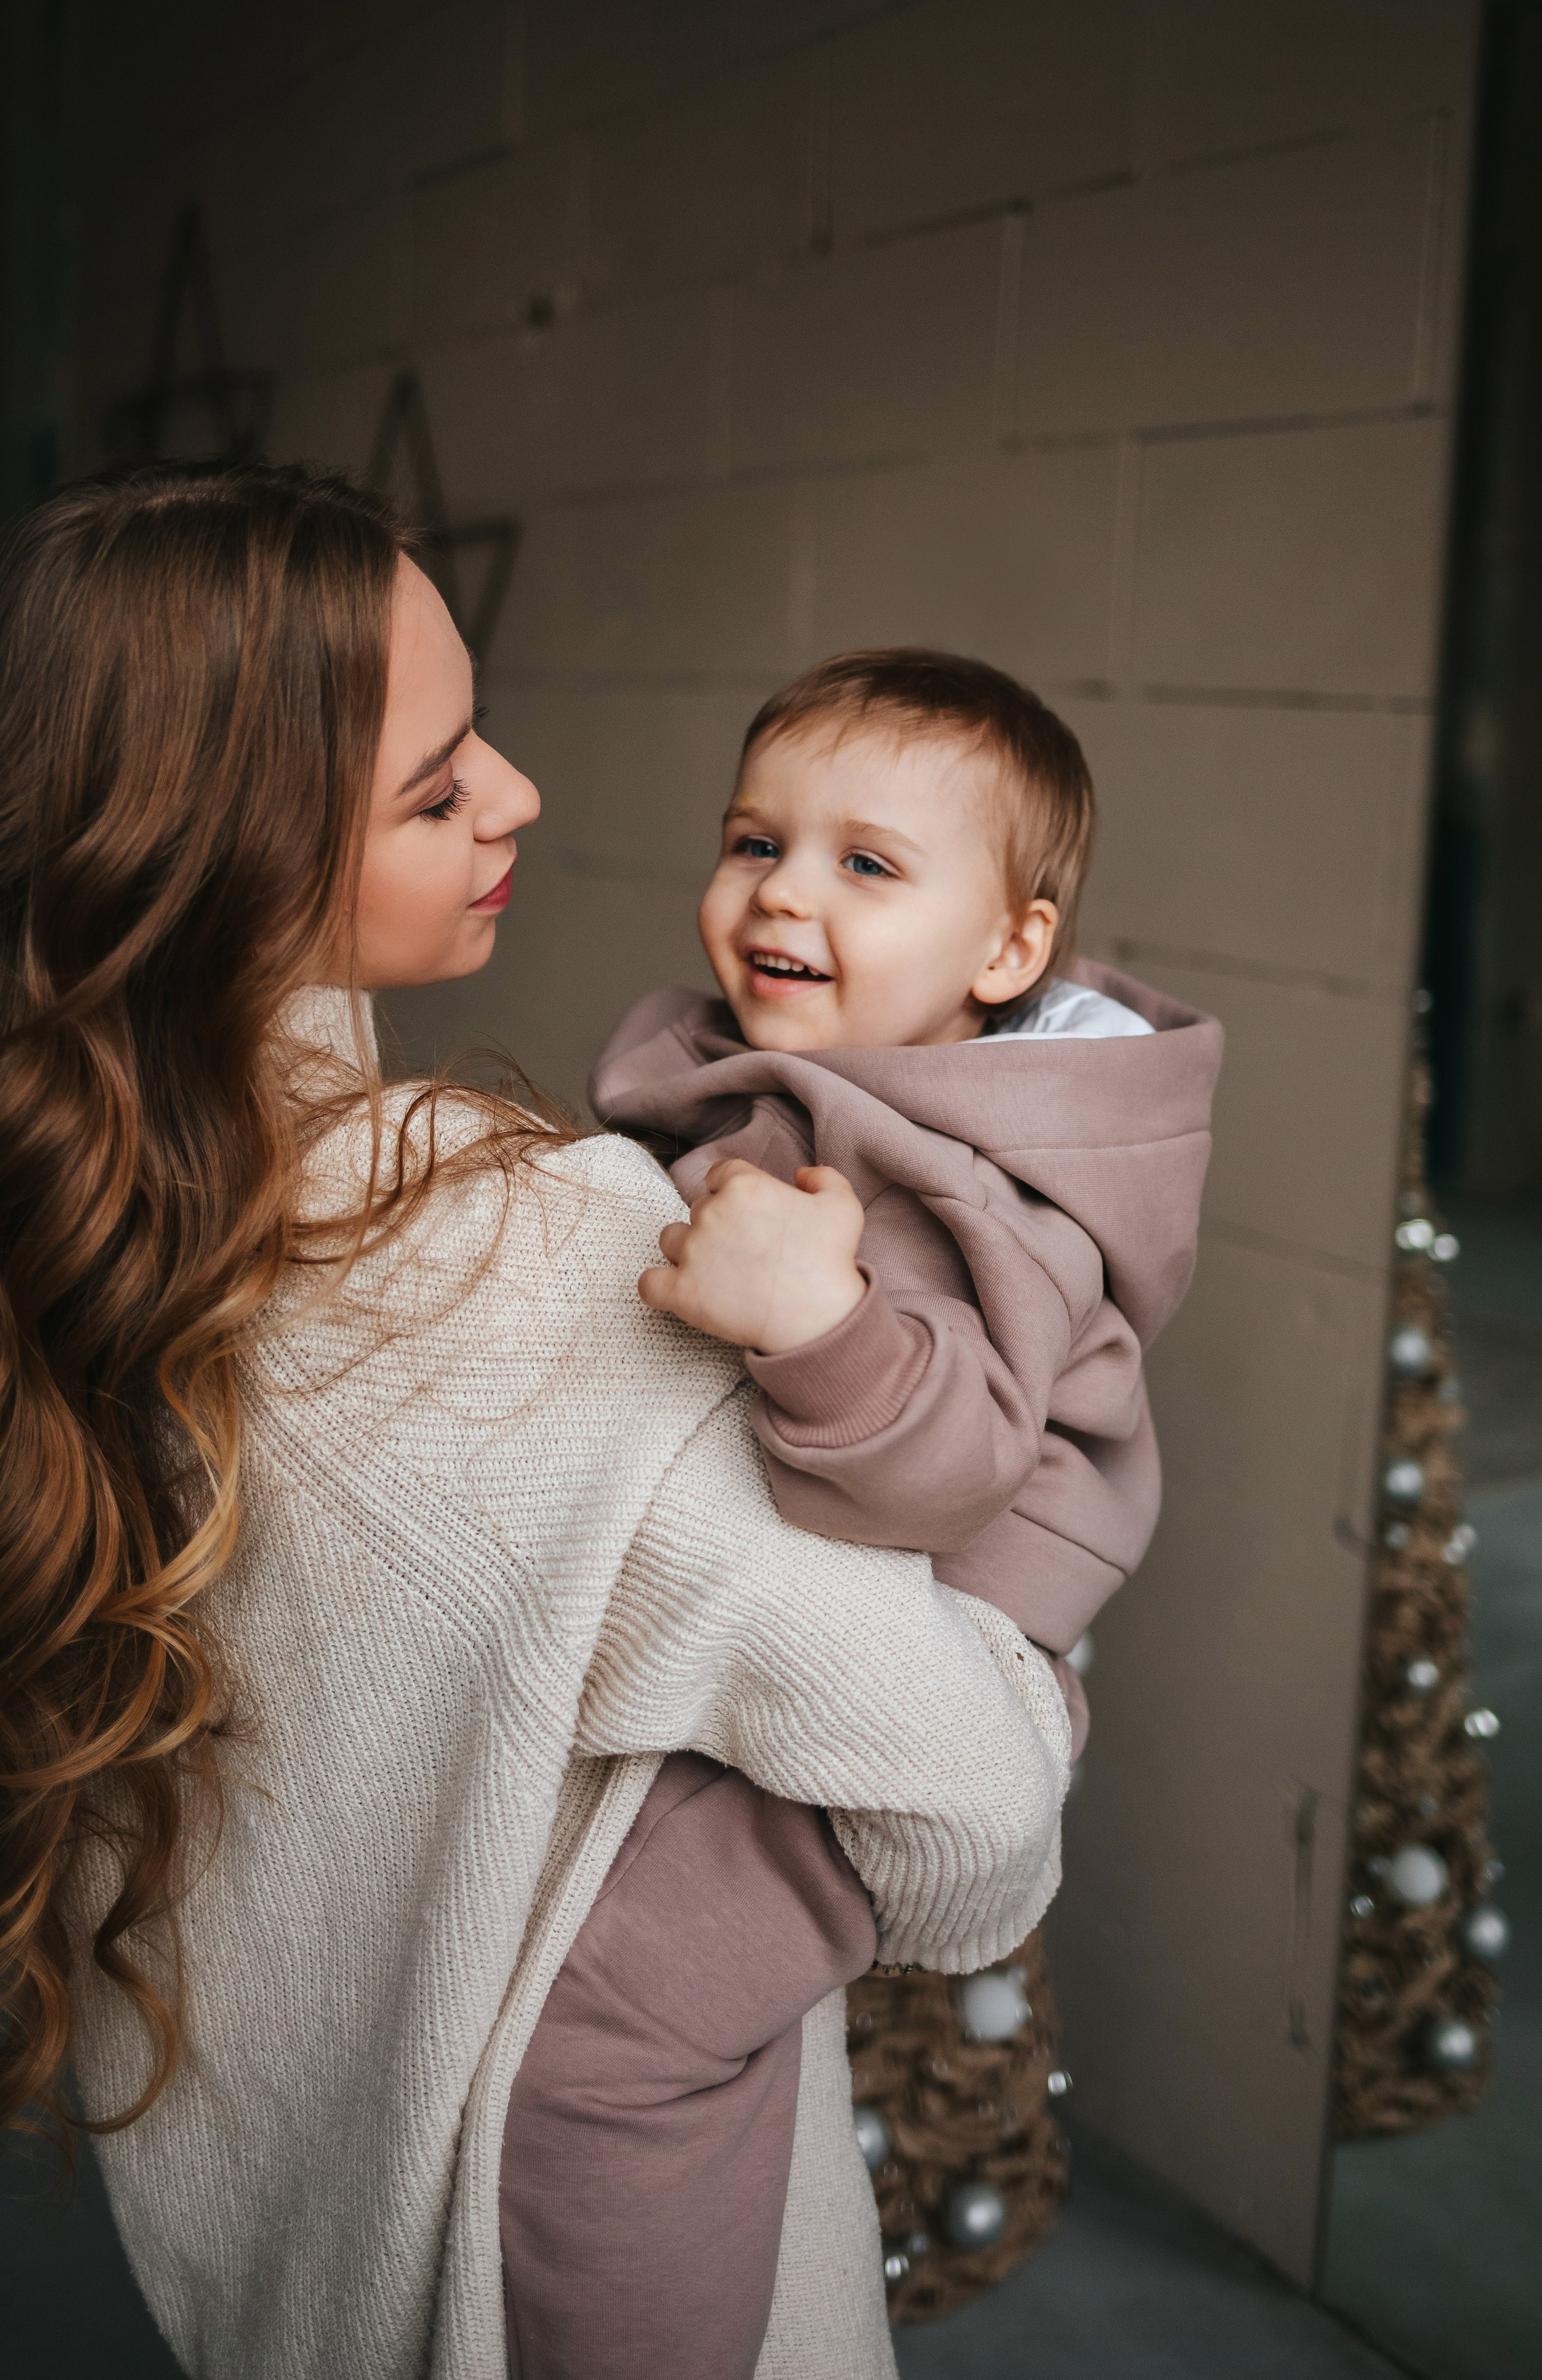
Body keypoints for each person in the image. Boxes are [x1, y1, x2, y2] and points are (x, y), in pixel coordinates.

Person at [0, 465, 1069, 2380]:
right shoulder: (496, 1255)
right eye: (436, 791)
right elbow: (969, 1828)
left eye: (477, 732)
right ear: (235, 860)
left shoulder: (77, 1258)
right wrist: (1024, 1663)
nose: (519, 794)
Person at [531, 650, 1220, 2357]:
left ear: (1006, 954)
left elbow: (952, 1471)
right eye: (754, 841)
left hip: (925, 1672)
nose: (782, 892)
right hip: (772, 1638)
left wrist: (820, 1327)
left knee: (605, 2046)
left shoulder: (987, 1180)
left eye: (865, 864)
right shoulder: (798, 1074)